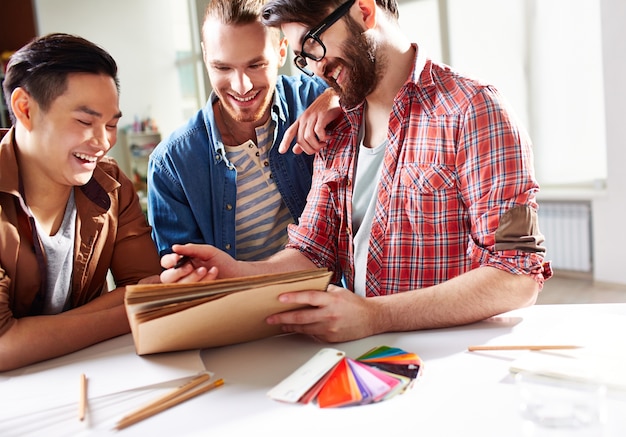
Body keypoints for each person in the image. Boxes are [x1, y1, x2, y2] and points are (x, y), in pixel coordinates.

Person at [160, 0, 552, 343]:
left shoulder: (474, 110)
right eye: (303, 57)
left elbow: (516, 276)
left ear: (363, 10)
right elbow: (313, 252)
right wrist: (238, 272)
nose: (315, 70)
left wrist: (376, 316)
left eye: (314, 46)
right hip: (371, 358)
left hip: (452, 360)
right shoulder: (336, 129)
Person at [0, 33, 162, 371]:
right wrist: (125, 312)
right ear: (24, 108)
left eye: (112, 124)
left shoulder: (112, 184)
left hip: (90, 373)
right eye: (85, 122)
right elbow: (3, 344)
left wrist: (31, 334)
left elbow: (149, 292)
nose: (103, 142)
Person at [147, 0, 340, 261]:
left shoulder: (311, 98)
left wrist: (336, 97)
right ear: (206, 57)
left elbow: (366, 85)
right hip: (236, 300)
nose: (241, 86)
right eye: (223, 67)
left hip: (325, 293)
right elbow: (183, 275)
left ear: (281, 51)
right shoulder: (170, 165)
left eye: (256, 65)